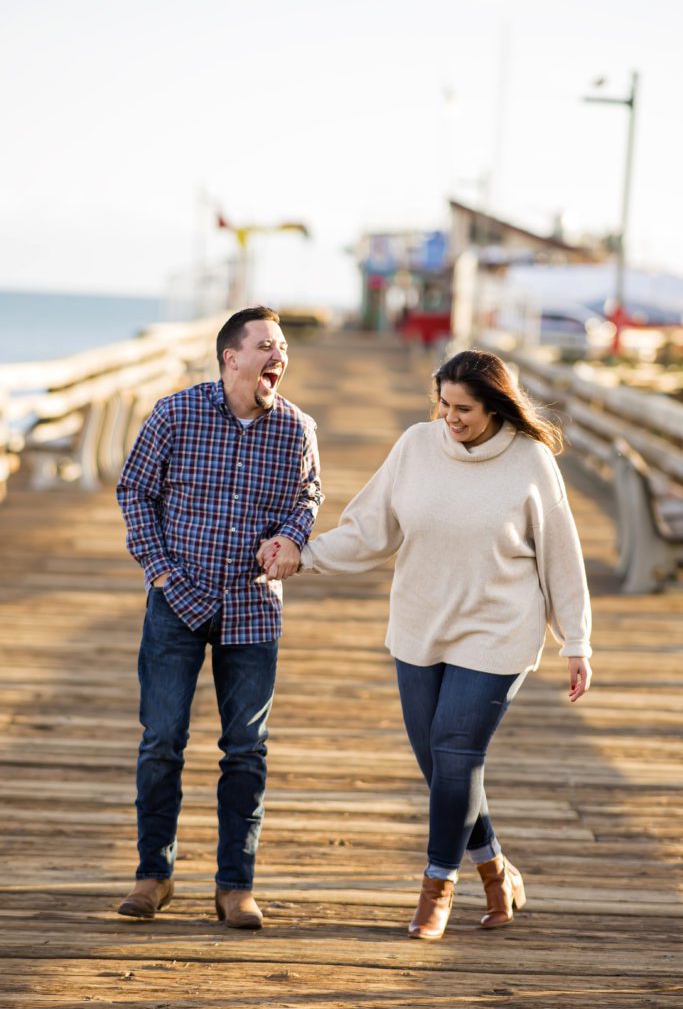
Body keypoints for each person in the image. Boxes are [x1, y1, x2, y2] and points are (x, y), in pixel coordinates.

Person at [258, 349, 592, 940]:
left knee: (457, 752)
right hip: (420, 624)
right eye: (443, 404)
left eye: (463, 408)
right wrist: (303, 556)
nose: (449, 418)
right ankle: (495, 870)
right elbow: (370, 529)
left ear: (495, 407)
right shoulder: (416, 445)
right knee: (440, 765)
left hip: (498, 628)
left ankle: (438, 887)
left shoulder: (530, 461)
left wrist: (577, 641)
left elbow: (560, 554)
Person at [116, 306, 322, 928]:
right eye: (265, 345)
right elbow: (134, 491)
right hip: (176, 601)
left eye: (282, 347)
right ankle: (154, 874)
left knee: (246, 750)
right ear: (232, 357)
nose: (278, 355)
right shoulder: (175, 414)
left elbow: (307, 496)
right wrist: (160, 572)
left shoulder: (296, 429)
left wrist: (291, 536)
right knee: (161, 741)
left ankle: (236, 886)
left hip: (252, 606)